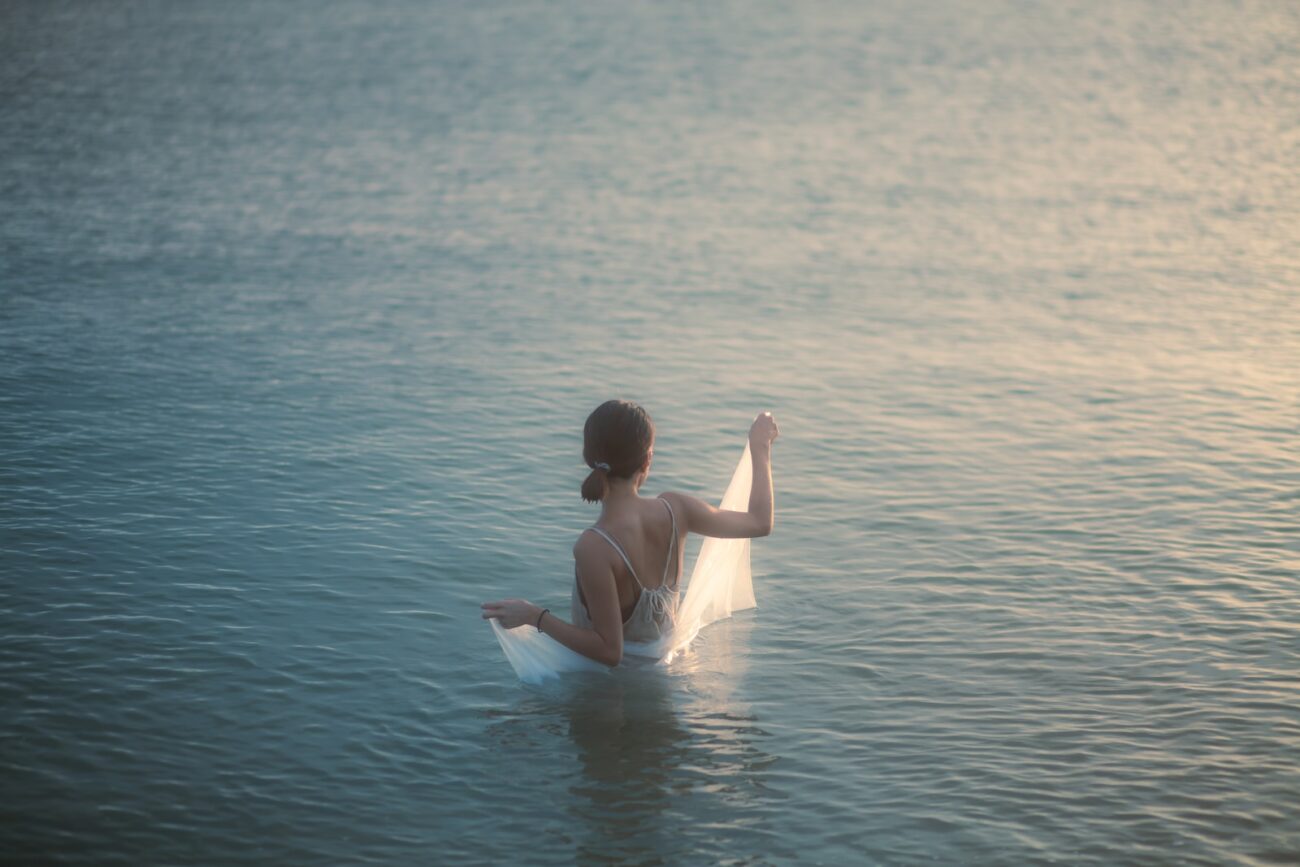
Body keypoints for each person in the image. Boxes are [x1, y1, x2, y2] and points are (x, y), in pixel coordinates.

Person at [481, 401, 779, 667]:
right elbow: (759, 522)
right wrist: (759, 445)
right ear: (647, 460)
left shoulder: (595, 546)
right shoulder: (677, 509)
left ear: (588, 456)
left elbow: (610, 653)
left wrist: (534, 616)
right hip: (669, 674)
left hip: (610, 694)